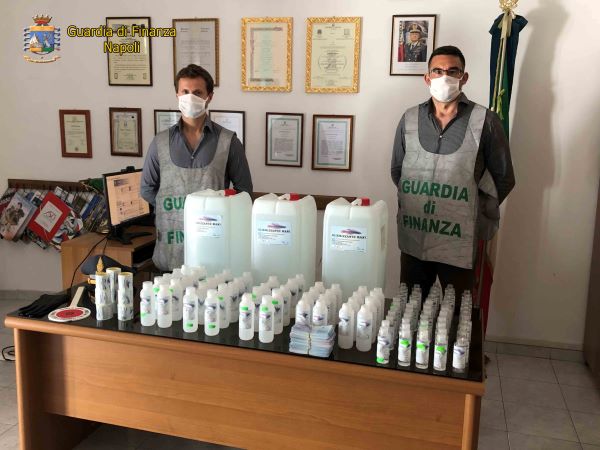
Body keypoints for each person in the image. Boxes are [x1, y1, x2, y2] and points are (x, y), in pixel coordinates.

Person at [391, 45, 515, 297]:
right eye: (437, 71)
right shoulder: (409, 119)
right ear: (427, 78)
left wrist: (470, 211)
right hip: (415, 237)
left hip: (458, 241)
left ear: (464, 77)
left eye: (452, 71)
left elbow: (503, 178)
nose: (444, 77)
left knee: (459, 312)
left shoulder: (486, 121)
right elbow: (398, 171)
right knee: (411, 309)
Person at [141, 64, 253, 271]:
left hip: (214, 256)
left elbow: (244, 193)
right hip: (170, 255)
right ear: (177, 94)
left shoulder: (228, 142)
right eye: (185, 91)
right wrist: (173, 211)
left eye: (197, 92)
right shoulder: (160, 142)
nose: (190, 97)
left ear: (209, 97)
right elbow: (147, 189)